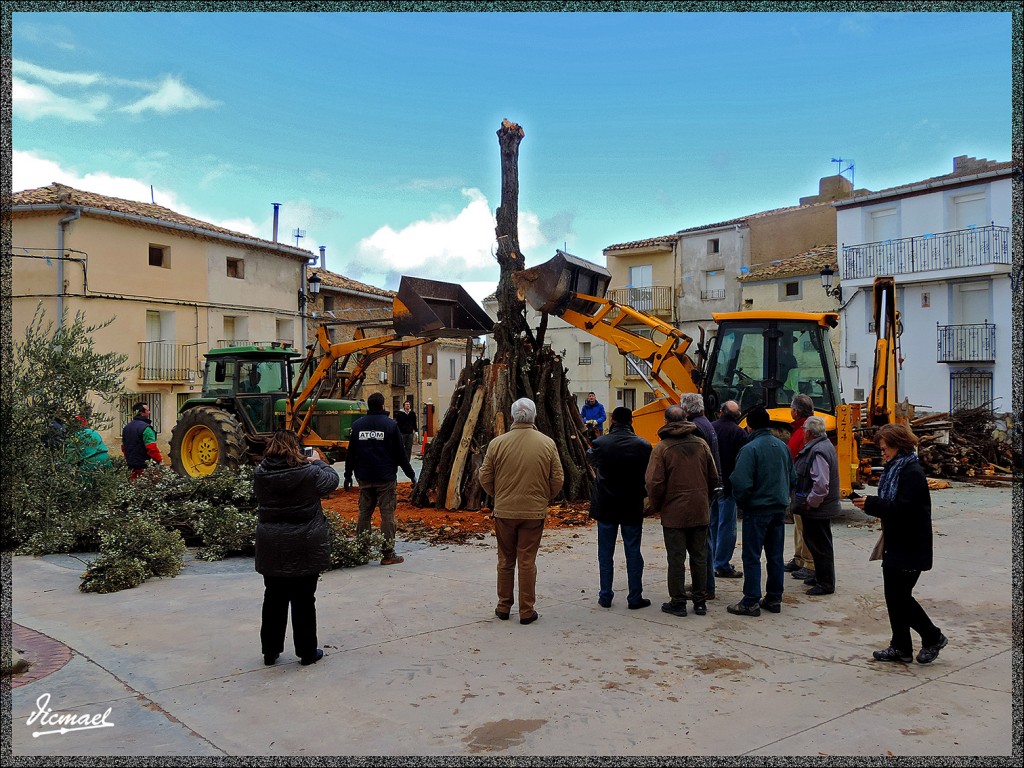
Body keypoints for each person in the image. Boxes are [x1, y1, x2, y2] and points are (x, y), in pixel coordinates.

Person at [853, 423, 948, 665]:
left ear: (897, 445)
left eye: (885, 448)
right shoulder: (896, 468)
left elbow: (903, 509)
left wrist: (872, 504)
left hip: (910, 544)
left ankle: (932, 636)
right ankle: (901, 646)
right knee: (894, 596)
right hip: (897, 542)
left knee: (900, 598)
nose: (882, 453)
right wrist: (870, 504)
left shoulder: (910, 472)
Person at [253, 430, 339, 667]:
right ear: (296, 449)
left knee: (273, 598)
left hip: (271, 542)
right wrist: (319, 462)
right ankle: (306, 652)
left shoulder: (260, 474)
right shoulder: (310, 473)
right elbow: (332, 481)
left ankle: (270, 652)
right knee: (303, 599)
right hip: (305, 542)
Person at [479, 398, 564, 625]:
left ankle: (503, 606)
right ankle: (527, 610)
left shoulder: (497, 444)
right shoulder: (547, 443)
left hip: (504, 511)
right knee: (527, 560)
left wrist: (498, 495)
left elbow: (484, 476)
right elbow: (557, 478)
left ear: (513, 416)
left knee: (505, 559)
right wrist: (544, 497)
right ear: (534, 416)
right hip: (533, 513)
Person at [645, 404, 719, 617]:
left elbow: (654, 482)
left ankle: (678, 602)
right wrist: (705, 498)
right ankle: (700, 601)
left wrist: (657, 505)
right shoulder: (701, 444)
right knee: (699, 556)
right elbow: (714, 477)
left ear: (666, 422)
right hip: (699, 509)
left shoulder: (662, 448)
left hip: (674, 512)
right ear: (686, 419)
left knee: (676, 558)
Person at [727, 405, 794, 617]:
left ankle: (751, 600)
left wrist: (743, 502)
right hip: (779, 508)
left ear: (749, 426)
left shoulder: (750, 449)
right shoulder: (782, 447)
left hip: (757, 510)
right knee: (775, 555)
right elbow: (793, 477)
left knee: (752, 556)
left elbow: (740, 482)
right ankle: (774, 598)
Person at [586, 406, 653, 610]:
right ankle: (635, 596)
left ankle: (605, 595)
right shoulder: (643, 445)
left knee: (605, 553)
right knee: (633, 551)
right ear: (631, 421)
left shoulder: (600, 443)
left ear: (612, 421)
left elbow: (591, 460)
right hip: (631, 504)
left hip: (606, 504)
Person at [344, 392, 416, 565]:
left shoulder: (358, 426)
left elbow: (351, 454)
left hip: (364, 478)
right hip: (385, 479)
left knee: (364, 514)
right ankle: (388, 554)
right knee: (387, 515)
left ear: (369, 406)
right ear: (383, 406)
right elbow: (401, 455)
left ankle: (362, 551)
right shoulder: (391, 426)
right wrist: (411, 475)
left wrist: (347, 476)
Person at [680, 392, 723, 600]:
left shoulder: (696, 429)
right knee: (705, 539)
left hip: (700, 490)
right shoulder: (707, 423)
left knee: (701, 542)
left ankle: (705, 587)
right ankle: (705, 583)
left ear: (686, 410)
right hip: (708, 488)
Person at [792, 416, 840, 596]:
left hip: (817, 508)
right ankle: (820, 576)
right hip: (819, 507)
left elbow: (821, 484)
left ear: (809, 432)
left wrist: (810, 503)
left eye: (804, 428)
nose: (803, 431)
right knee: (817, 543)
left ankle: (826, 583)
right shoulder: (822, 446)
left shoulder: (818, 451)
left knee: (821, 545)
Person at [711, 400, 748, 579]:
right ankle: (722, 564)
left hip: (712, 485)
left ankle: (712, 561)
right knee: (727, 527)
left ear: (720, 411)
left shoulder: (710, 429)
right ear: (737, 416)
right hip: (729, 486)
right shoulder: (739, 433)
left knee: (712, 525)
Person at [785, 393, 817, 583]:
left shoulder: (804, 433)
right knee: (799, 525)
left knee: (804, 526)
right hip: (799, 488)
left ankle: (809, 562)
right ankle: (799, 558)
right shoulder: (802, 430)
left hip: (802, 488)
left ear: (795, 411)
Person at [121, 402, 163, 479]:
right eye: (148, 410)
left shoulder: (126, 428)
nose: (149, 412)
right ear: (141, 413)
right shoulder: (146, 428)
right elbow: (152, 448)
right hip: (145, 468)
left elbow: (123, 448)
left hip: (131, 468)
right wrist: (159, 461)